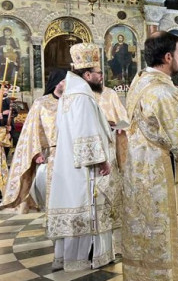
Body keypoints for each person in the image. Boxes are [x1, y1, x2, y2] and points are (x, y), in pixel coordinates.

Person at [123, 31, 178, 280]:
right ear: (167, 57)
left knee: (150, 242)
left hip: (143, 178)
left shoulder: (139, 83)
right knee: (173, 244)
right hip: (166, 181)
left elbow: (159, 128)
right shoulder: (164, 93)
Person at [48, 43, 118, 272]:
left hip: (70, 164)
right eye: (98, 73)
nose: (101, 77)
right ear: (87, 74)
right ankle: (92, 256)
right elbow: (85, 134)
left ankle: (74, 256)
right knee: (89, 206)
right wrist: (101, 160)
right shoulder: (83, 96)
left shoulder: (70, 94)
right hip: (86, 168)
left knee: (75, 204)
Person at [1, 69, 66, 213]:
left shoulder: (72, 102)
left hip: (70, 151)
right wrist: (36, 153)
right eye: (64, 80)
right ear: (57, 83)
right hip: (50, 153)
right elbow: (31, 130)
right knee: (52, 191)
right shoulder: (41, 103)